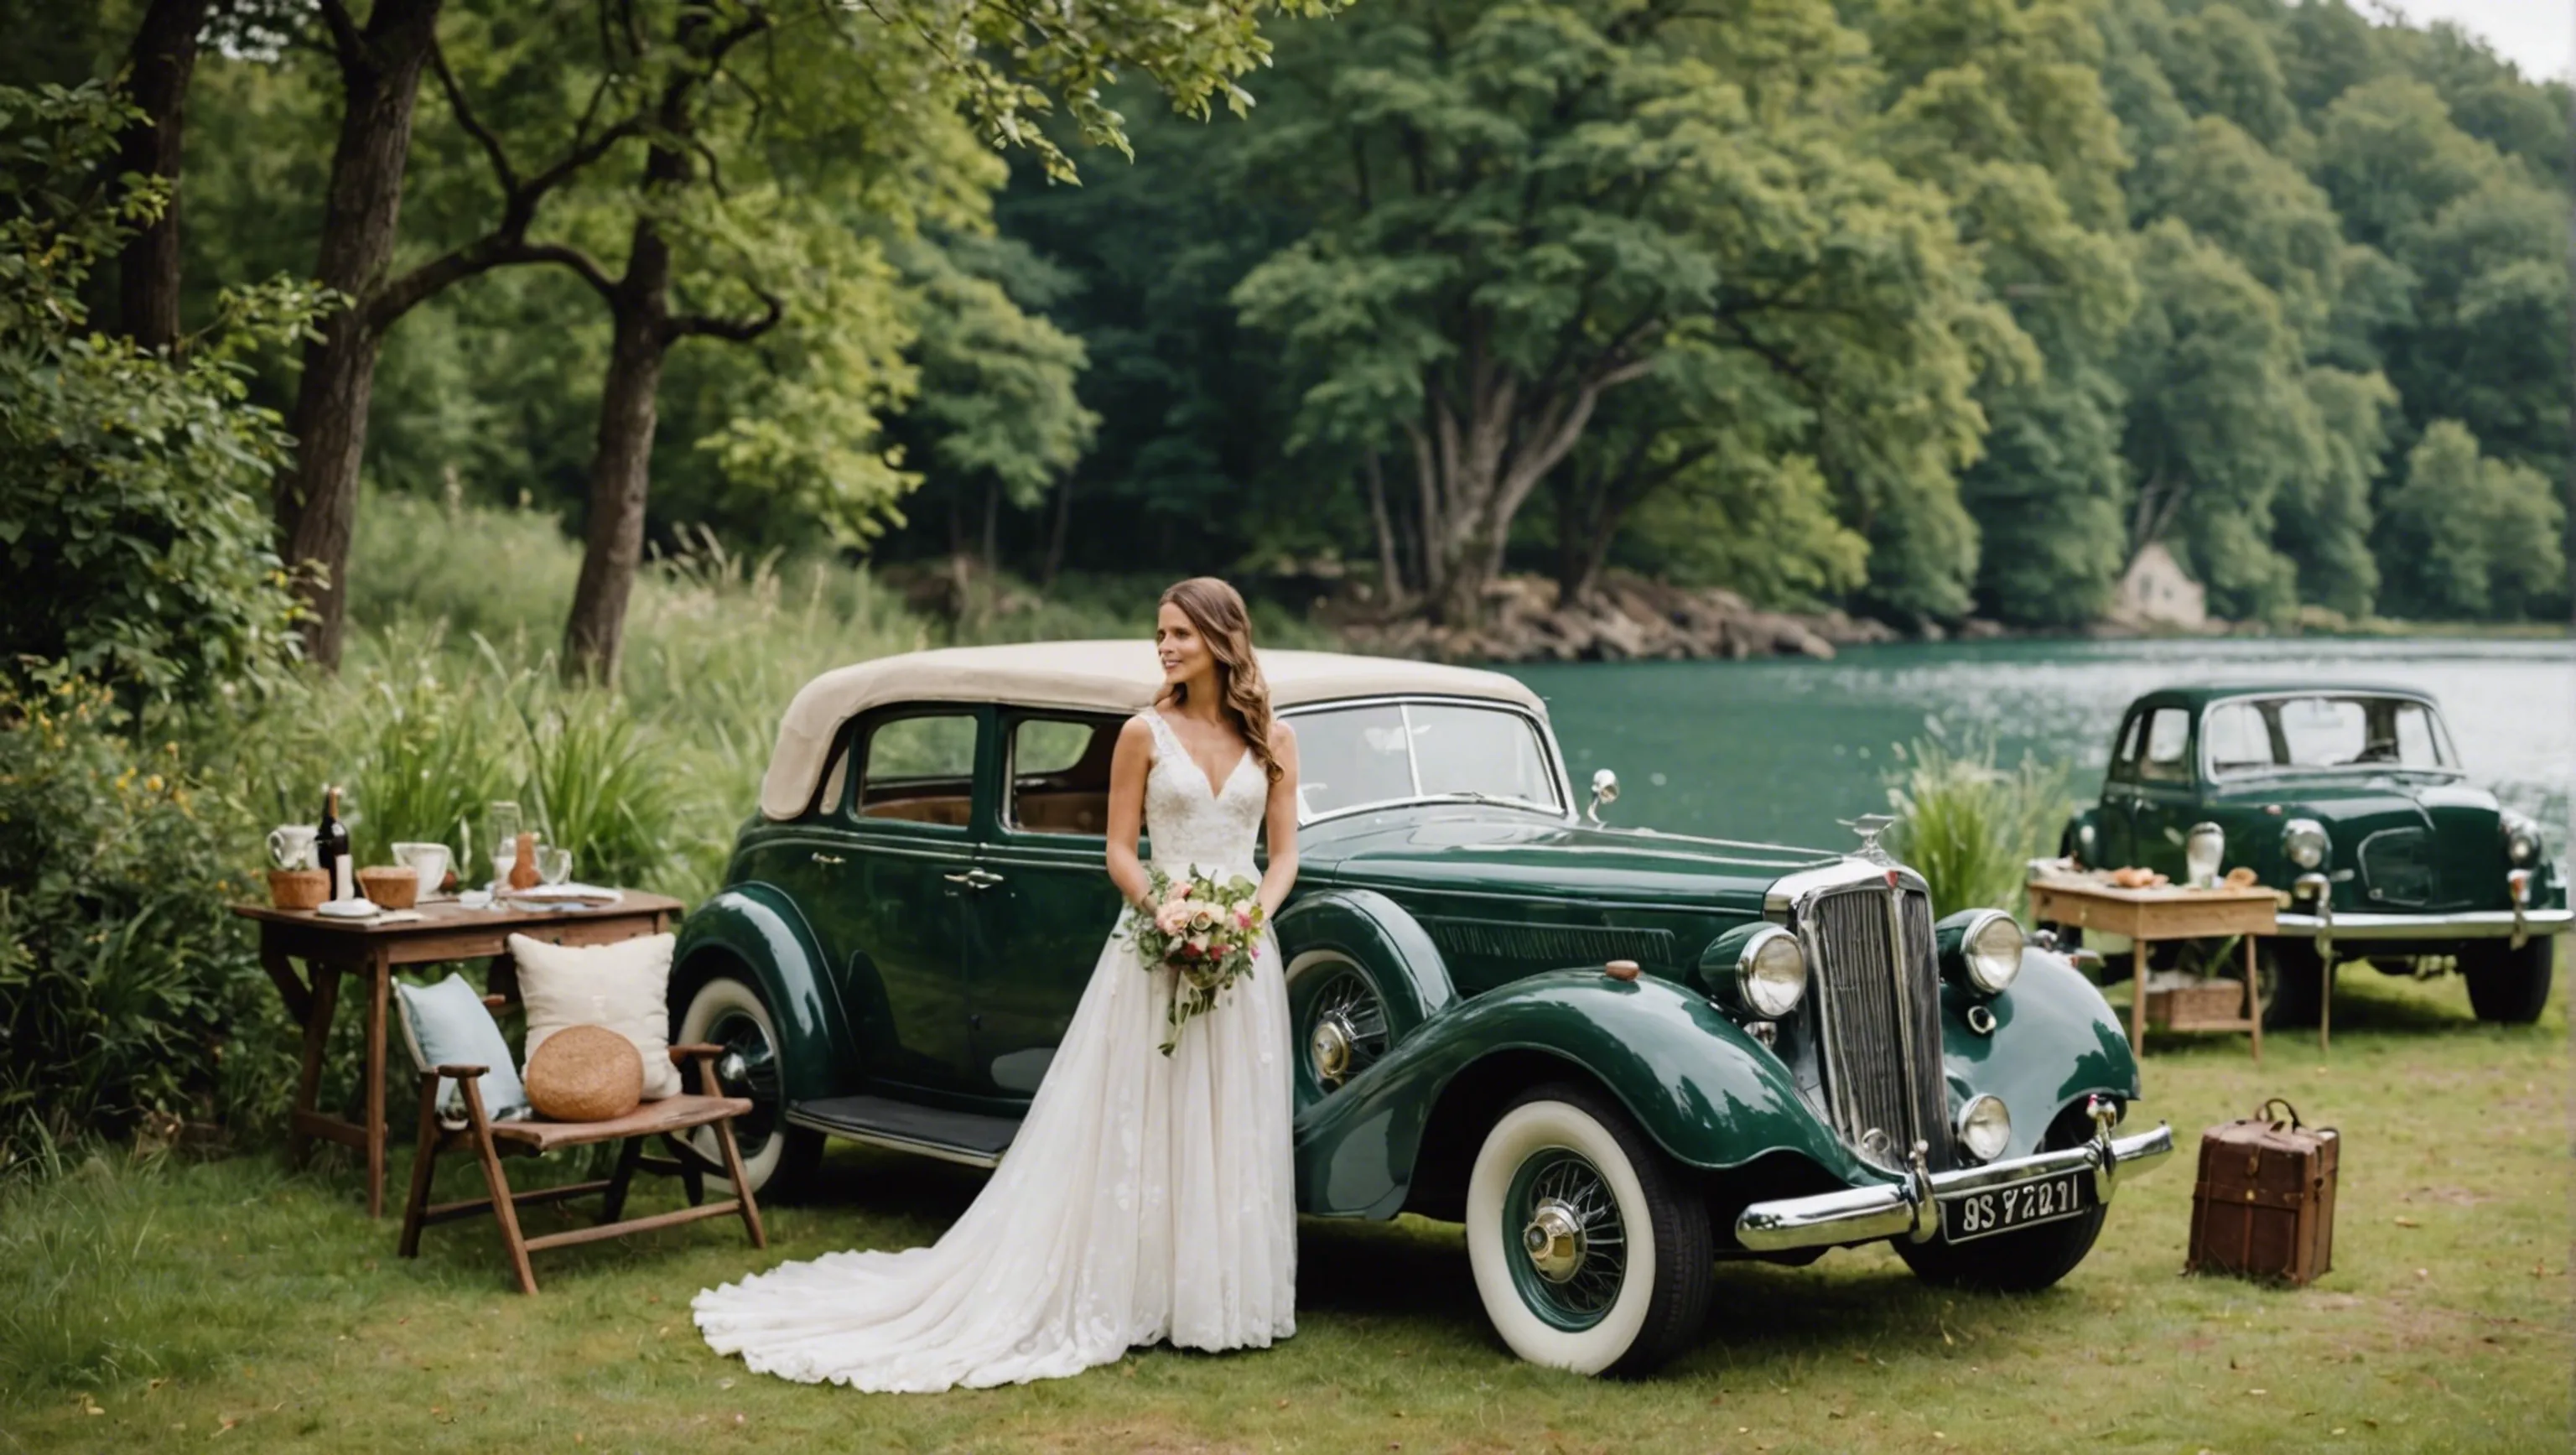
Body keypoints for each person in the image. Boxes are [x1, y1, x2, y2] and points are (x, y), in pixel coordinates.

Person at [693, 577, 1301, 1391]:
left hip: (1242, 949)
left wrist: (1245, 921)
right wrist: (1169, 914)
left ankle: (1216, 1299)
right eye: (1160, 632)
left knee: (1223, 1115)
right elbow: (1122, 851)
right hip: (1159, 938)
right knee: (1145, 1111)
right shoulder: (1141, 733)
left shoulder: (1275, 739)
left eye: (1181, 634)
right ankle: (1136, 1287)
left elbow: (1284, 855)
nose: (1164, 646)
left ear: (1223, 639)